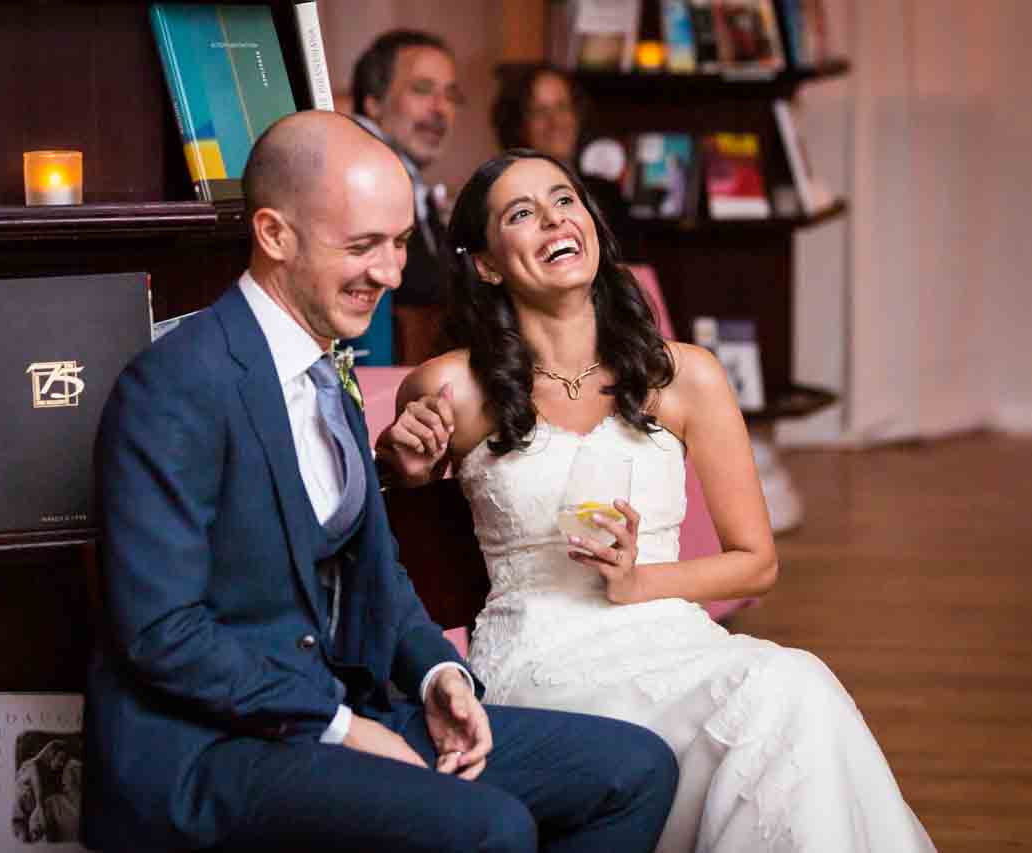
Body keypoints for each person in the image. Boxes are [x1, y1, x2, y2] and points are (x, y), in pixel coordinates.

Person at [81, 112, 679, 853]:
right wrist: (340, 725)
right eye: (362, 246)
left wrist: (436, 676)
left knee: (638, 769)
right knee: (494, 828)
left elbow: (378, 576)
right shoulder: (176, 383)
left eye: (398, 243)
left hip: (339, 715)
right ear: (273, 235)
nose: (392, 273)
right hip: (211, 752)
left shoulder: (328, 367)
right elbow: (163, 632)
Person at [376, 150, 938, 853]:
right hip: (543, 661)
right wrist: (400, 465)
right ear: (487, 263)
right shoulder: (450, 386)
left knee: (793, 687)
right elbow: (390, 520)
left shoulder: (686, 376)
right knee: (785, 696)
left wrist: (641, 579)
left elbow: (755, 562)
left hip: (672, 643)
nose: (554, 218)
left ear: (591, 224)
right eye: (522, 213)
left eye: (565, 200)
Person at [347, 29, 463, 364]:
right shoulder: (358, 178)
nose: (441, 109)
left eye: (451, 95)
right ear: (373, 102)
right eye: (422, 90)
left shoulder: (414, 186)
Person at [490, 64, 631, 241]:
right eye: (540, 111)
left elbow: (633, 266)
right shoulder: (503, 201)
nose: (555, 122)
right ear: (518, 125)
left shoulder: (608, 195)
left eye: (562, 107)